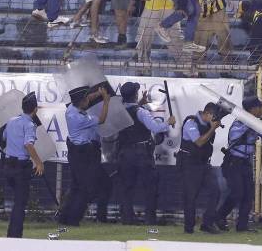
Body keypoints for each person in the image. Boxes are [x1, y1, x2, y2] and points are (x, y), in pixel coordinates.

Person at [216, 96, 262, 232]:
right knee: (237, 193)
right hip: (233, 162)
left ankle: (242, 226)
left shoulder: (255, 124)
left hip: (245, 163)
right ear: (253, 109)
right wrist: (250, 124)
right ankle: (219, 216)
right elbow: (234, 137)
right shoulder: (239, 123)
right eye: (260, 106)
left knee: (248, 195)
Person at [117, 82, 176, 225]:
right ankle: (150, 219)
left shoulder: (119, 110)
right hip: (141, 153)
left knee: (127, 187)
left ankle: (127, 218)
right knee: (150, 186)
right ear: (135, 95)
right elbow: (155, 128)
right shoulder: (141, 112)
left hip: (124, 152)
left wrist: (139, 103)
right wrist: (168, 122)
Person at [59, 85, 110, 226]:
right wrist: (106, 101)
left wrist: (98, 93)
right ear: (81, 102)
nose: (89, 100)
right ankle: (73, 219)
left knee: (76, 186)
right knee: (84, 189)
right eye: (86, 99)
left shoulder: (71, 109)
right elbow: (102, 119)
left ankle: (64, 216)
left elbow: (86, 98)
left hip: (75, 152)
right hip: (82, 154)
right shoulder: (80, 118)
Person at [176, 102, 222, 234]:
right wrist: (212, 128)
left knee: (215, 191)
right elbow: (199, 142)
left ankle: (207, 223)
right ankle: (189, 228)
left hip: (203, 163)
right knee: (190, 197)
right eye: (214, 117)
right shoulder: (191, 122)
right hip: (189, 163)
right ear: (207, 113)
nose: (215, 120)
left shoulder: (208, 123)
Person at [4, 92, 45, 238]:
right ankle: (14, 236)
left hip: (9, 165)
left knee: (18, 200)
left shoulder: (11, 121)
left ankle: (13, 233)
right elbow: (28, 144)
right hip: (21, 167)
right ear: (35, 110)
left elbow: (4, 137)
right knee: (20, 203)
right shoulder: (29, 125)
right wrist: (39, 163)